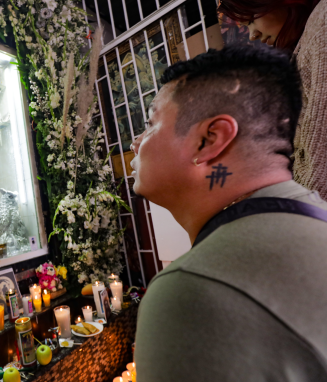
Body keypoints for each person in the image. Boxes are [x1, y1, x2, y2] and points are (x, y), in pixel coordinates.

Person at [131, 45, 327, 381]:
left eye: (150, 123)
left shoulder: (193, 292)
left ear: (209, 140)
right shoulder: (315, 214)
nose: (136, 143)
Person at [218, 0, 327, 200]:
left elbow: (319, 156)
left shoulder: (321, 24)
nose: (253, 35)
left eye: (252, 20)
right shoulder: (303, 44)